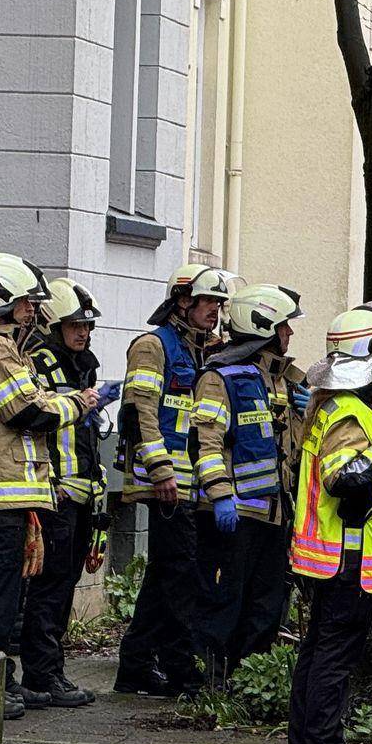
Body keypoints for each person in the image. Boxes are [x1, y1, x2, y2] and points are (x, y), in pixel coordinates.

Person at [0, 254, 99, 718]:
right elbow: (23, 411)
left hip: (5, 487)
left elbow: (27, 400)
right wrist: (79, 403)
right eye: (25, 302)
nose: (33, 311)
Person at [285, 305, 372, 744]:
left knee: (318, 654)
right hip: (350, 559)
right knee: (333, 662)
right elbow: (344, 479)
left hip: (328, 556)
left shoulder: (333, 401)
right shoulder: (351, 416)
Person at [116, 264, 235, 697]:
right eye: (208, 302)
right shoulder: (154, 346)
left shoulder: (203, 351)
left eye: (220, 304)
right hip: (166, 481)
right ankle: (180, 666)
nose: (216, 311)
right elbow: (140, 413)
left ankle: (135, 664)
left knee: (167, 573)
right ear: (183, 301)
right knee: (179, 574)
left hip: (191, 484)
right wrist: (162, 471)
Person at [192, 284, 304, 681]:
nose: (289, 334)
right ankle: (211, 681)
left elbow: (286, 446)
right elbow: (207, 442)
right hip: (233, 514)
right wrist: (220, 495)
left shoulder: (279, 378)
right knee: (223, 601)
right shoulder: (220, 378)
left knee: (266, 603)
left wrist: (303, 414)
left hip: (272, 514)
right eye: (285, 326)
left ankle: (247, 678)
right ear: (265, 327)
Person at [21, 277, 113, 710]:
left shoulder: (82, 364)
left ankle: (49, 671)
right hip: (54, 492)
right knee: (50, 588)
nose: (84, 333)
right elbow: (37, 418)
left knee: (64, 584)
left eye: (88, 326)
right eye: (76, 325)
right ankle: (42, 674)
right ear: (55, 325)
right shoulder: (39, 361)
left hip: (80, 495)